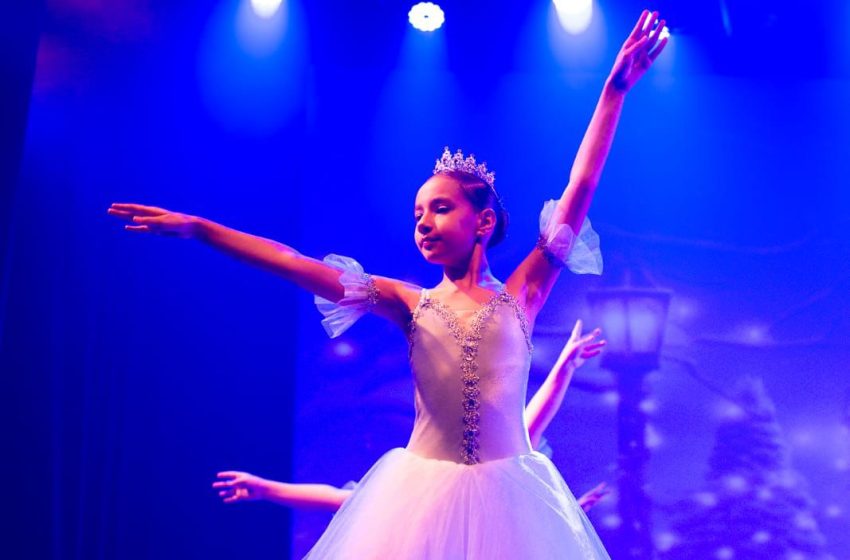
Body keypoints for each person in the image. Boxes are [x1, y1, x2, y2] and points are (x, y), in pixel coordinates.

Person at [109, 10, 666, 558]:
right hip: (417, 500)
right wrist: (200, 228)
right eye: (417, 213)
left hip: (511, 505)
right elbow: (292, 261)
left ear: (483, 222)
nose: (423, 222)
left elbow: (580, 185)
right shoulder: (406, 302)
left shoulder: (524, 293)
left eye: (440, 208)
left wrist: (613, 92)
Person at [212, 320, 609, 513]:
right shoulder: (423, 485)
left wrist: (565, 366)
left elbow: (532, 421)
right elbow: (342, 500)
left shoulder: (500, 465)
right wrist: (266, 488)